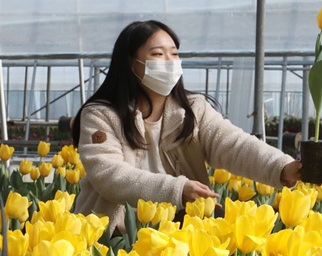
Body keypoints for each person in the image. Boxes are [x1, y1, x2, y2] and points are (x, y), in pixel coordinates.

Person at [72, 20, 301, 234]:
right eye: (158, 54)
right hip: (113, 235)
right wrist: (177, 190)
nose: (170, 62)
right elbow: (111, 176)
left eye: (174, 54)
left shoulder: (192, 110)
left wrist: (281, 167)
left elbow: (234, 144)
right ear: (132, 64)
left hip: (181, 231)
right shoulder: (101, 115)